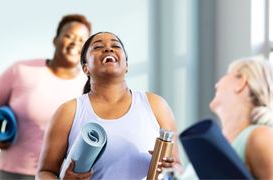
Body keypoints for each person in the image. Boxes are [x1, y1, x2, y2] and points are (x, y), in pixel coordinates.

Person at [36, 32, 181, 180]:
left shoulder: (156, 105)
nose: (108, 49)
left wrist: (171, 169)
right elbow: (44, 172)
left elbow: (177, 166)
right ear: (86, 68)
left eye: (115, 45)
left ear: (126, 66)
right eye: (98, 47)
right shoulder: (68, 111)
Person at [0, 14, 91, 179]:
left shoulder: (89, 86)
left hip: (59, 175)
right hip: (15, 172)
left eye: (82, 40)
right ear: (55, 39)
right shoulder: (22, 70)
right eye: (69, 36)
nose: (75, 42)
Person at [209, 57, 273, 178]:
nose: (217, 83)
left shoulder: (260, 136)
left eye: (228, 74)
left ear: (241, 82)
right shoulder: (218, 146)